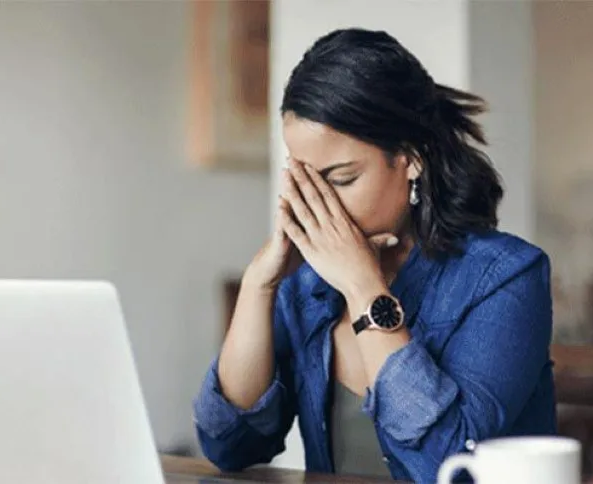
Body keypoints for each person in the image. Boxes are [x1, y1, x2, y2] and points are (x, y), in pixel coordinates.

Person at [192, 28, 556, 483]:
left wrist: (363, 287)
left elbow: (446, 468)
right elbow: (230, 445)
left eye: (341, 179)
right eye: (306, 180)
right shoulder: (306, 286)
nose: (321, 203)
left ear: (412, 157)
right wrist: (259, 285)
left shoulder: (506, 278)